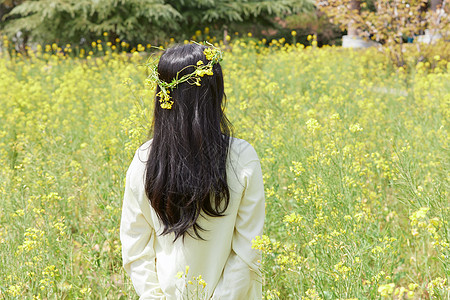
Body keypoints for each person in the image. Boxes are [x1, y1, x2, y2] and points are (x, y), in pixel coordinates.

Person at [120, 43, 265, 300]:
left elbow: (135, 249)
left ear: (162, 96)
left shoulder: (144, 159)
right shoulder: (242, 156)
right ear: (214, 95)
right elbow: (248, 250)